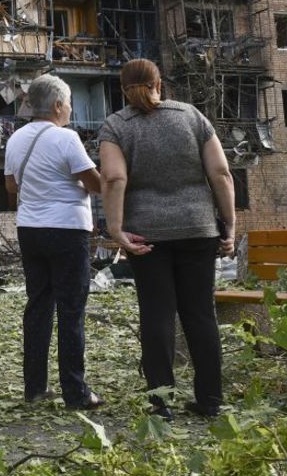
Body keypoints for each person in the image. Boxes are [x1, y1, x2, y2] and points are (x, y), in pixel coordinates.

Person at [98, 58, 235, 420]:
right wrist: (230, 224)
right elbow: (221, 173)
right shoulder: (191, 116)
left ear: (122, 87)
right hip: (197, 228)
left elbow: (113, 178)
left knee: (157, 316)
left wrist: (115, 229)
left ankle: (160, 405)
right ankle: (210, 401)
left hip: (146, 234)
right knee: (200, 315)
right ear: (160, 83)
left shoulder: (115, 126)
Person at [3, 74, 103, 409]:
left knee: (38, 306)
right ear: (58, 105)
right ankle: (76, 392)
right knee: (71, 309)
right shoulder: (67, 138)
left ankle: (35, 389)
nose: (71, 109)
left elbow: (11, 188)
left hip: (30, 229)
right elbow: (95, 183)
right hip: (67, 230)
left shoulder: (16, 139)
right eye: (70, 102)